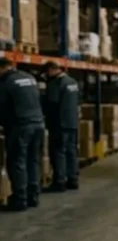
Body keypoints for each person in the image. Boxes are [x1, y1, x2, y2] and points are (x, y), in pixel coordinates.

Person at [0, 58, 46, 211]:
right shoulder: (29, 77)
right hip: (38, 123)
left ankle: (20, 199)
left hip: (21, 126)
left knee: (17, 161)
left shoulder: (6, 82)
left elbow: (2, 105)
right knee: (33, 160)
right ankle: (33, 195)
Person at [42, 61, 80, 193]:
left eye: (47, 72)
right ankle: (73, 179)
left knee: (58, 152)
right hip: (72, 122)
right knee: (71, 151)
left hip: (60, 123)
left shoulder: (55, 84)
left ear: (52, 69)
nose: (47, 75)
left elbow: (52, 103)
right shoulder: (72, 82)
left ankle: (59, 181)